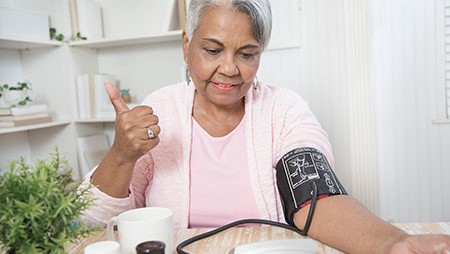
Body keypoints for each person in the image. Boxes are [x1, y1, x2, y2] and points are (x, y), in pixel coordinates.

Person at [80, 0, 450, 253]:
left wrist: (391, 244)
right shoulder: (160, 108)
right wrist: (121, 154)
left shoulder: (284, 109)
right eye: (212, 50)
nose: (229, 68)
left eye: (247, 54)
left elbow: (314, 194)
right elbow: (89, 221)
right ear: (186, 44)